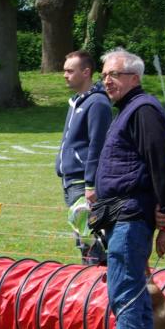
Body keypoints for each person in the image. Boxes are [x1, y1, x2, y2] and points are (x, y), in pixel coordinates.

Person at [87, 49, 165, 329]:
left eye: (115, 75)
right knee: (136, 299)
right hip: (122, 214)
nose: (107, 80)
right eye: (105, 75)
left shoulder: (144, 111)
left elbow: (161, 166)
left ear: (134, 78)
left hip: (131, 217)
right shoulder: (130, 111)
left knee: (123, 297)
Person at [57, 50, 111, 264]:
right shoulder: (78, 101)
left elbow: (98, 145)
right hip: (71, 183)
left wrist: (90, 184)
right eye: (64, 70)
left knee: (91, 242)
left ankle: (97, 288)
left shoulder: (97, 103)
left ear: (86, 72)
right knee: (83, 240)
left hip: (82, 184)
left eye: (70, 71)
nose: (65, 75)